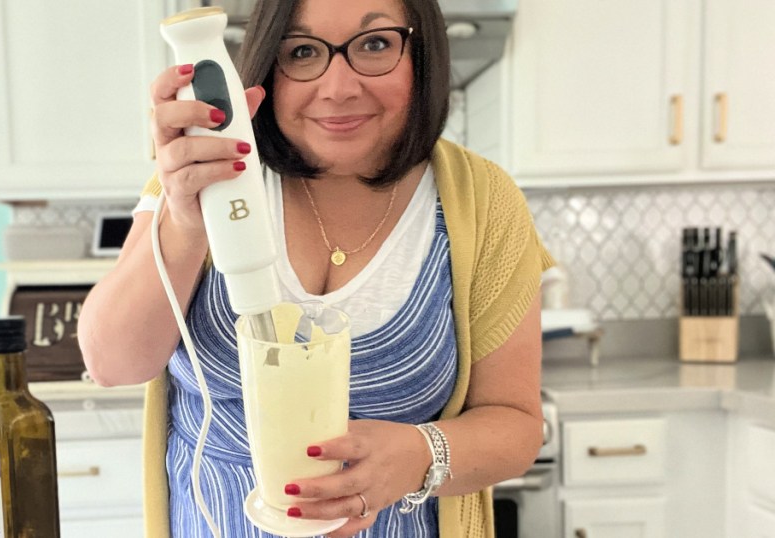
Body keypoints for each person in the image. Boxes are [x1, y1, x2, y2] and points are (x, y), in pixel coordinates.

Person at [78, 0, 553, 535]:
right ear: (266, 69)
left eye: (375, 44)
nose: (338, 87)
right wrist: (186, 222)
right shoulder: (206, 175)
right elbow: (112, 364)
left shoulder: (482, 203)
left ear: (421, 55)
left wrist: (421, 453)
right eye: (302, 52)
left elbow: (515, 426)